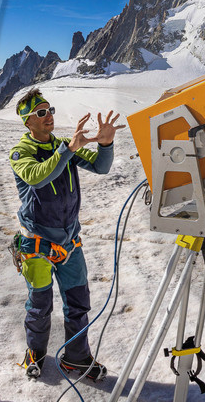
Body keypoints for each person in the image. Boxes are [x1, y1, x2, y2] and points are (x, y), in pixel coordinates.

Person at [9, 90, 123, 380]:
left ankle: (77, 358)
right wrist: (68, 150)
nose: (49, 116)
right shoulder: (21, 152)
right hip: (38, 244)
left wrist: (106, 144)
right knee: (40, 305)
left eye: (50, 110)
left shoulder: (64, 145)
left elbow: (101, 166)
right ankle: (35, 353)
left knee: (77, 302)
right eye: (41, 113)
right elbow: (38, 177)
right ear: (27, 122)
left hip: (70, 242)